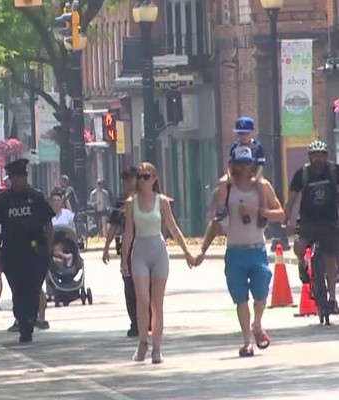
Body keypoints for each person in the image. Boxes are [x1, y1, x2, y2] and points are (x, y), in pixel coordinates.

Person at [197, 145, 285, 357]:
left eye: (248, 164)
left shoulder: (262, 188)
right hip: (235, 251)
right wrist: (203, 250)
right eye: (240, 164)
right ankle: (247, 341)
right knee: (240, 299)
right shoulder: (225, 190)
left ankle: (257, 324)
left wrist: (257, 211)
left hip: (257, 249)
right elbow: (215, 223)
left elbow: (281, 214)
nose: (244, 168)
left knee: (262, 293)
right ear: (233, 165)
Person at [121, 162, 194, 364]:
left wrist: (187, 251)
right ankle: (142, 343)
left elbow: (173, 227)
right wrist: (123, 260)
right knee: (142, 300)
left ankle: (157, 347)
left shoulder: (161, 202)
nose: (142, 180)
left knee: (156, 304)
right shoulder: (131, 203)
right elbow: (128, 233)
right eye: (140, 176)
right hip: (140, 254)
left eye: (146, 176)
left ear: (154, 179)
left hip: (158, 252)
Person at [0, 159, 54, 344]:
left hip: (34, 252)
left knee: (33, 289)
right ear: (10, 179)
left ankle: (30, 320)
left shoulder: (37, 197)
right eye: (15, 177)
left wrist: (48, 250)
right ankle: (22, 318)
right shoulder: (3, 200)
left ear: (25, 177)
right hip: (12, 252)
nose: (19, 181)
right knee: (17, 289)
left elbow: (48, 225)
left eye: (22, 177)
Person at [284, 140, 339, 313]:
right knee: (299, 245)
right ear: (310, 157)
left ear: (326, 156)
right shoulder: (302, 174)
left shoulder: (334, 171)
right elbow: (291, 199)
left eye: (321, 155)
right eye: (315, 156)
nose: (318, 159)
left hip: (330, 221)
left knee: (331, 258)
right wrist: (286, 220)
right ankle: (302, 263)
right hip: (308, 221)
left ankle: (331, 298)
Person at [102, 166, 144, 337]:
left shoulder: (145, 199)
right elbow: (113, 227)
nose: (128, 183)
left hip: (144, 248)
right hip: (127, 251)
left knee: (144, 288)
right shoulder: (121, 202)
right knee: (130, 289)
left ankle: (146, 320)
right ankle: (135, 323)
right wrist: (106, 248)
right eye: (125, 180)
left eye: (131, 179)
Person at [214, 117, 266, 221]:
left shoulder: (257, 146)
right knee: (222, 181)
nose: (243, 136)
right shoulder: (235, 146)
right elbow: (230, 164)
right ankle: (222, 208)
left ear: (251, 133)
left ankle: (262, 212)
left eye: (246, 133)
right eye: (241, 133)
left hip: (253, 173)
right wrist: (230, 176)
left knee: (262, 185)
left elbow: (261, 165)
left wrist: (256, 178)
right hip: (236, 172)